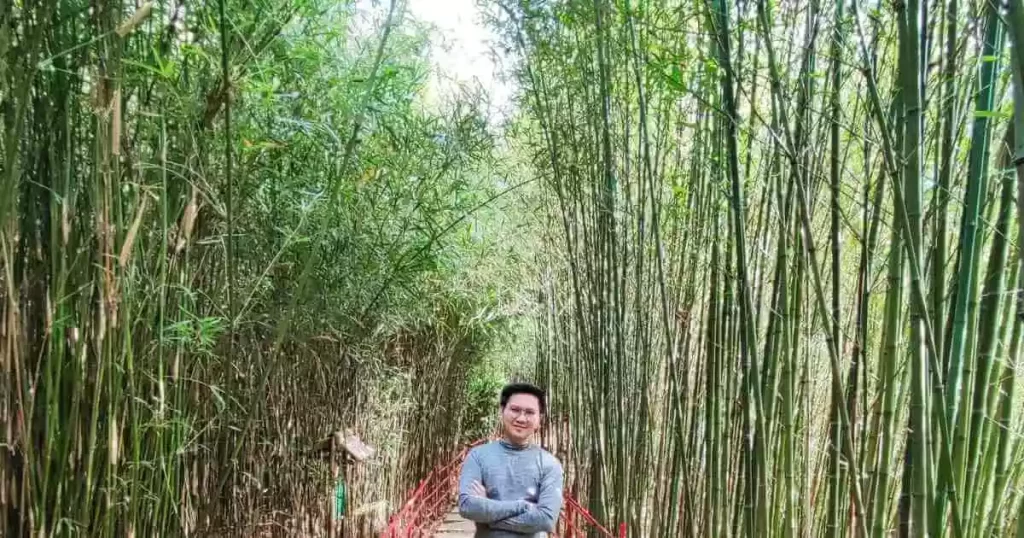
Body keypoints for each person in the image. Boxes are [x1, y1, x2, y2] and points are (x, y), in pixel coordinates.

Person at [457, 383, 564, 538]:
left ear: (539, 419)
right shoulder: (478, 456)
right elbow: (468, 506)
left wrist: (488, 515)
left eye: (529, 412)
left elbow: (545, 520)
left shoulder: (550, 464)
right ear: (502, 411)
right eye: (515, 410)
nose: (521, 418)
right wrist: (523, 506)